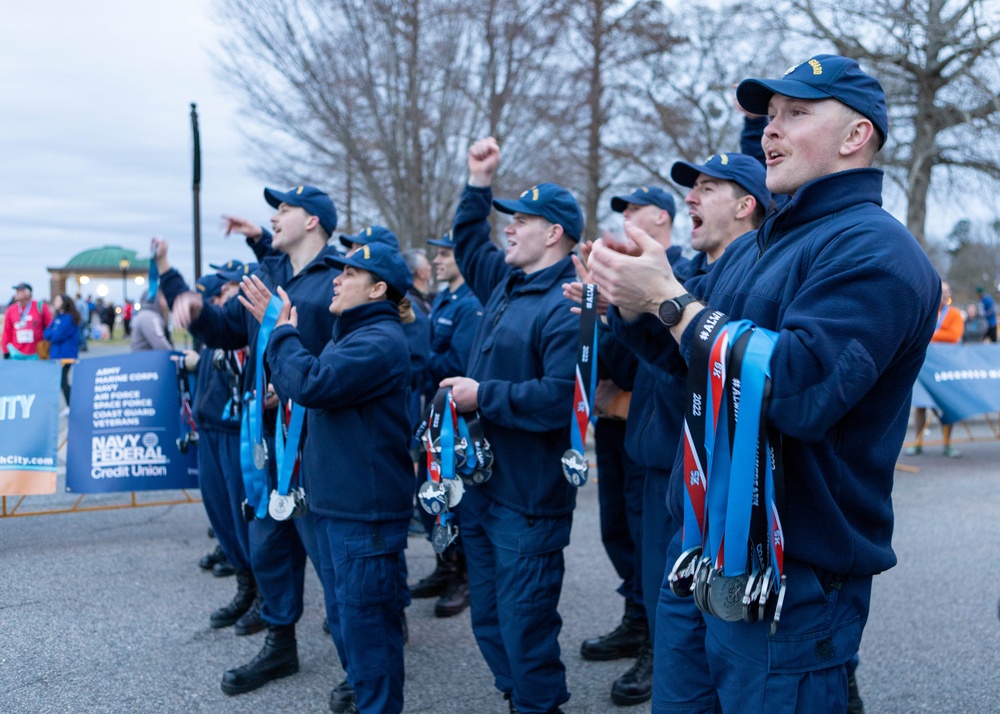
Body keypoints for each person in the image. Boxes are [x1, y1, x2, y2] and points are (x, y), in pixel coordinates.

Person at [587, 54, 939, 713]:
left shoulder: (878, 250)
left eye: (797, 114)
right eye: (770, 116)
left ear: (855, 135)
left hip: (792, 579)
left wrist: (669, 301)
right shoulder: (759, 246)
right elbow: (690, 365)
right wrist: (635, 305)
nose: (771, 132)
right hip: (701, 551)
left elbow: (800, 393)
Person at [164, 185, 340, 697]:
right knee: (268, 544)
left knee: (331, 558)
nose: (275, 216)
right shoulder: (267, 275)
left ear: (313, 222)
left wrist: (286, 385)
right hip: (263, 445)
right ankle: (280, 642)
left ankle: (364, 662)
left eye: (285, 209)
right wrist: (198, 313)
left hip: (315, 444)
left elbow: (345, 361)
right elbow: (229, 332)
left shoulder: (338, 279)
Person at [240, 242, 415, 714]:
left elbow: (315, 383)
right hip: (341, 505)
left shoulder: (378, 340)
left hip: (365, 513)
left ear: (378, 289)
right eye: (337, 271)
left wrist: (280, 334)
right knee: (348, 621)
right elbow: (320, 384)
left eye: (350, 274)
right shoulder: (353, 333)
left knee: (368, 632)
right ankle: (366, 697)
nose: (335, 279)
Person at [443, 136, 580, 714]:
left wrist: (483, 396)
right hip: (482, 491)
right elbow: (468, 239)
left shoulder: (570, 301)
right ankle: (518, 697)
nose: (510, 228)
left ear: (553, 233)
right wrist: (479, 182)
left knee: (526, 628)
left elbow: (558, 399)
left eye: (521, 220)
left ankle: (537, 703)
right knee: (491, 619)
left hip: (529, 497)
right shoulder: (505, 281)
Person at [180, 266, 264, 634]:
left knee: (245, 520)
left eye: (231, 285)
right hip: (211, 426)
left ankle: (265, 595)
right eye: (225, 286)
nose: (226, 292)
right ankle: (245, 585)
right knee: (221, 517)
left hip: (237, 431)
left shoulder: (247, 317)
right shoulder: (219, 321)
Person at [408, 231, 484, 619]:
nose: (437, 261)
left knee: (454, 495)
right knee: (431, 493)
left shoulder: (471, 303)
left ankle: (464, 574)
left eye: (446, 254)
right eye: (435, 254)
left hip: (455, 415)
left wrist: (419, 356)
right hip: (434, 409)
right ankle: (445, 564)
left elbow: (455, 362)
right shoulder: (445, 299)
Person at [905, 280, 964, 458]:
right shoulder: (927, 310)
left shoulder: (954, 314)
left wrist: (930, 334)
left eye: (947, 292)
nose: (944, 295)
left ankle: (947, 444)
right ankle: (918, 442)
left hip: (946, 366)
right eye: (941, 292)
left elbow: (954, 336)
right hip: (925, 367)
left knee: (947, 404)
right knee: (920, 406)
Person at [43, 294, 81, 414]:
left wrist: (52, 334)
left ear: (64, 302)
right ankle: (68, 405)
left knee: (63, 380)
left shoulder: (69, 318)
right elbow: (46, 333)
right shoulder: (58, 317)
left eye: (57, 300)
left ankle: (70, 405)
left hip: (66, 355)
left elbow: (57, 335)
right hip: (56, 354)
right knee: (60, 380)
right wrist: (52, 334)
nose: (54, 302)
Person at [2, 282, 52, 359]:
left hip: (36, 352)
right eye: (17, 291)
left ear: (28, 294)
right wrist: (5, 350)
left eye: (20, 291)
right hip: (16, 353)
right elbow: (6, 331)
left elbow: (50, 326)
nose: (17, 293)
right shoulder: (11, 310)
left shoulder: (40, 306)